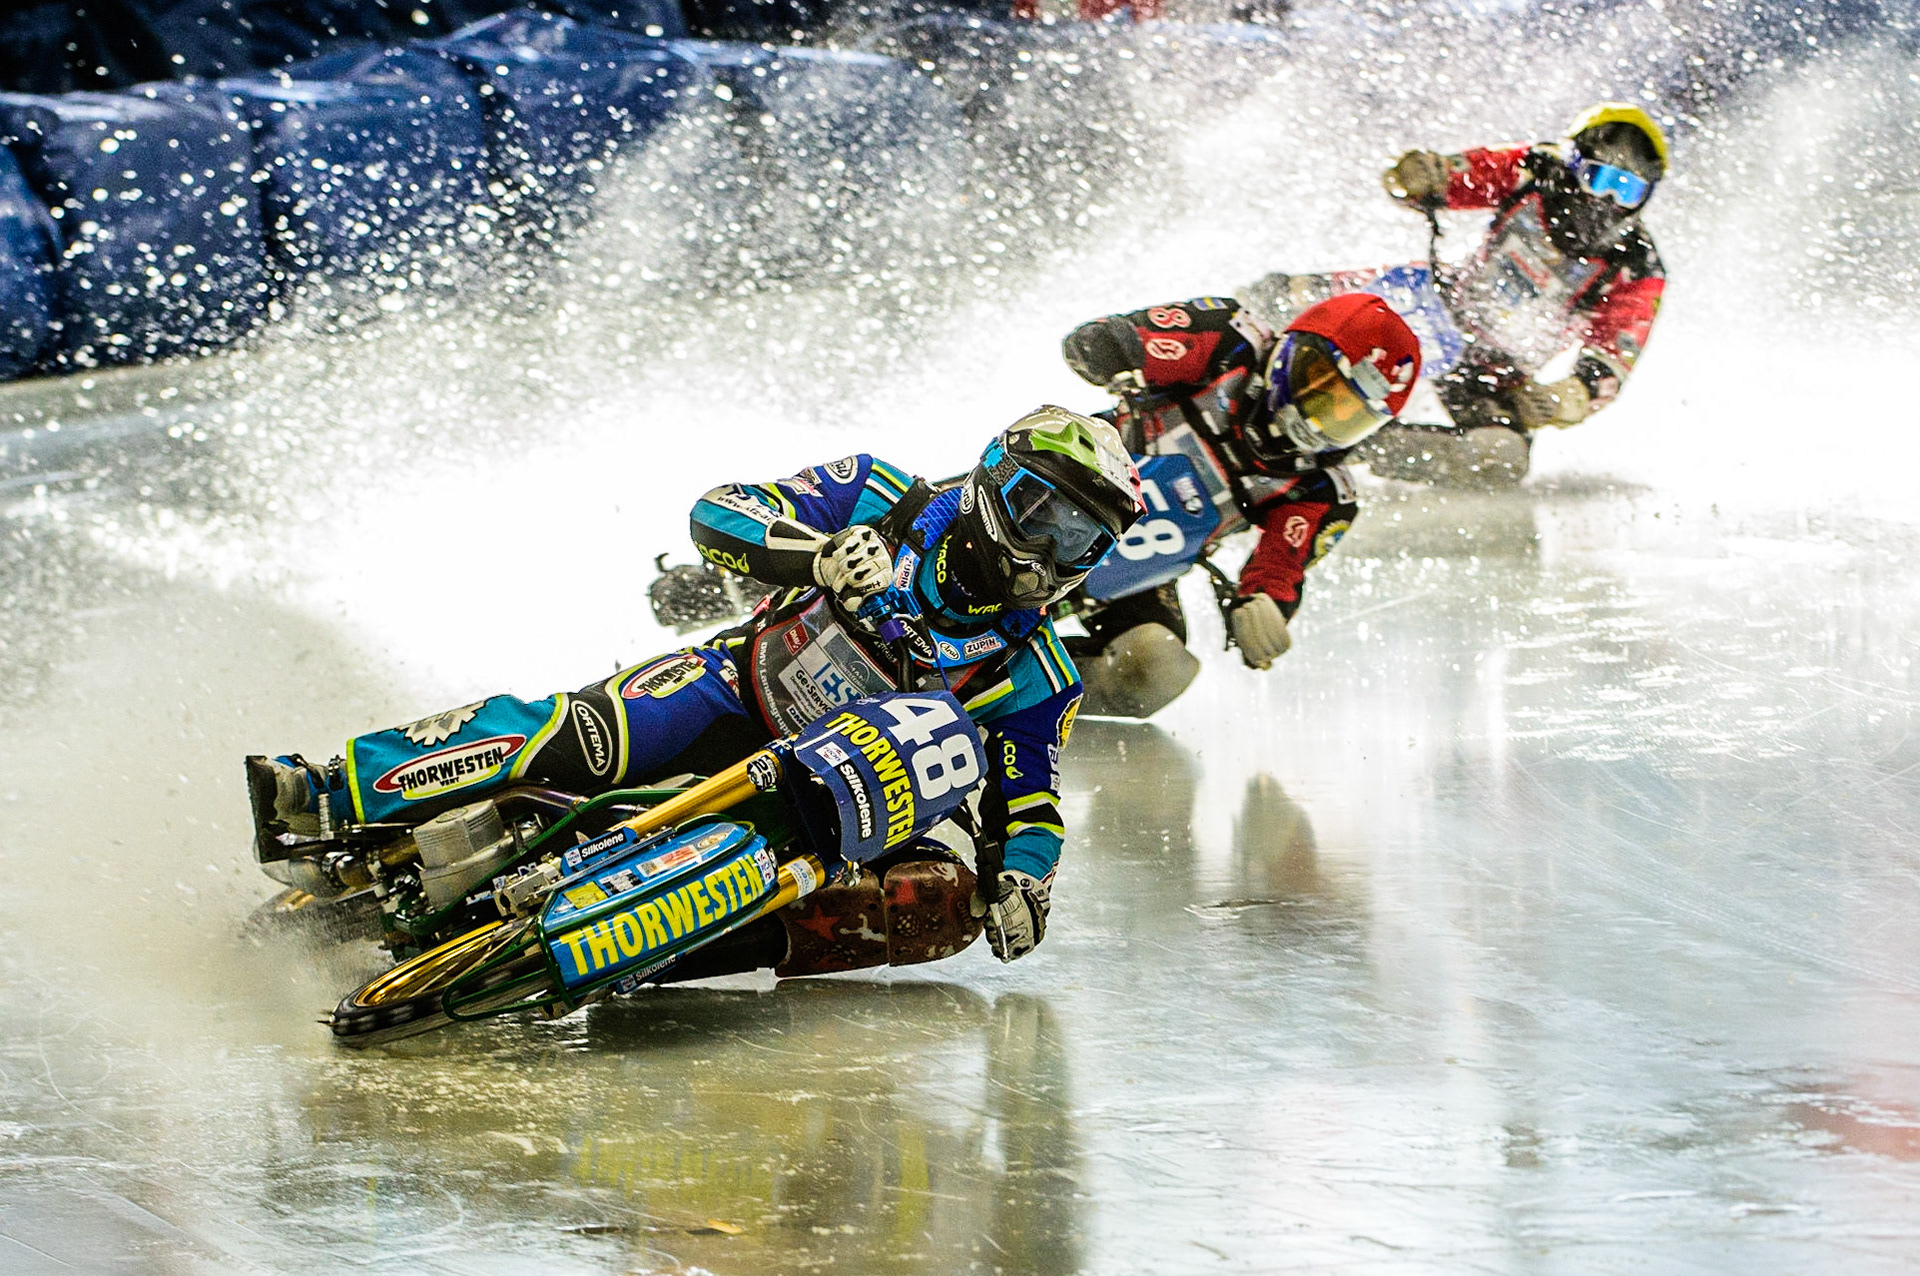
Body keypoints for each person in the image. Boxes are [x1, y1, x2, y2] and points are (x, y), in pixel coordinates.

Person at [246, 407, 1144, 964]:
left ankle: (668, 955)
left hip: (828, 802)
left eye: (1084, 541)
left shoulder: (1039, 673)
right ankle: (334, 789)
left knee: (933, 907)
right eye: (1044, 514)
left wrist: (1029, 876)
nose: (1053, 552)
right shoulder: (883, 494)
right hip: (732, 689)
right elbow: (720, 511)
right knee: (576, 729)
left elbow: (1031, 799)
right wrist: (818, 555)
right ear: (995, 481)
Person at [1242, 102, 1668, 487]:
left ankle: (1349, 447)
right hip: (1432, 305)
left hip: (1497, 371)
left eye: (1628, 190)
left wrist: (1566, 397)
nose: (1608, 200)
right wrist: (1419, 176)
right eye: (1599, 178)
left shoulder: (1636, 266)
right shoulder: (1536, 170)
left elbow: (1613, 356)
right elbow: (1459, 175)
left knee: (1501, 457)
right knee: (1283, 295)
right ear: (1571, 165)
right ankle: (1223, 359)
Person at [1056, 292, 1420, 712]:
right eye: (1317, 381)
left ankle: (1018, 703)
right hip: (1068, 480)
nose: (1313, 416)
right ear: (1289, 351)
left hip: (1135, 573)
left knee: (1154, 670)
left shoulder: (1321, 489)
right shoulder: (1230, 339)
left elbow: (1280, 570)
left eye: (1344, 413)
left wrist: (1263, 610)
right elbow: (1121, 338)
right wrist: (1110, 347)